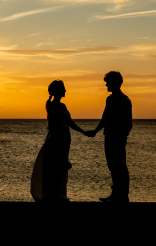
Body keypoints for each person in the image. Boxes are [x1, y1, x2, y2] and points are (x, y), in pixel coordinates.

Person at [86, 71, 132, 202]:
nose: (106, 84)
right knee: (112, 165)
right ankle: (116, 192)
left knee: (121, 165)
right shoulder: (109, 99)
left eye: (108, 82)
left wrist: (123, 135)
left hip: (118, 138)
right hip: (109, 136)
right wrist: (95, 131)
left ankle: (123, 195)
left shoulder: (125, 100)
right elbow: (104, 118)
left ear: (116, 83)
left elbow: (128, 122)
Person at [39, 80, 87, 202]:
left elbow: (70, 122)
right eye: (63, 88)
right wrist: (58, 141)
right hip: (57, 138)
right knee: (56, 164)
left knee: (62, 164)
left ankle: (61, 192)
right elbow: (54, 126)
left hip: (65, 137)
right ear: (58, 91)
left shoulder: (63, 105)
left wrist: (83, 131)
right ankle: (55, 194)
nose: (65, 90)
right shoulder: (52, 106)